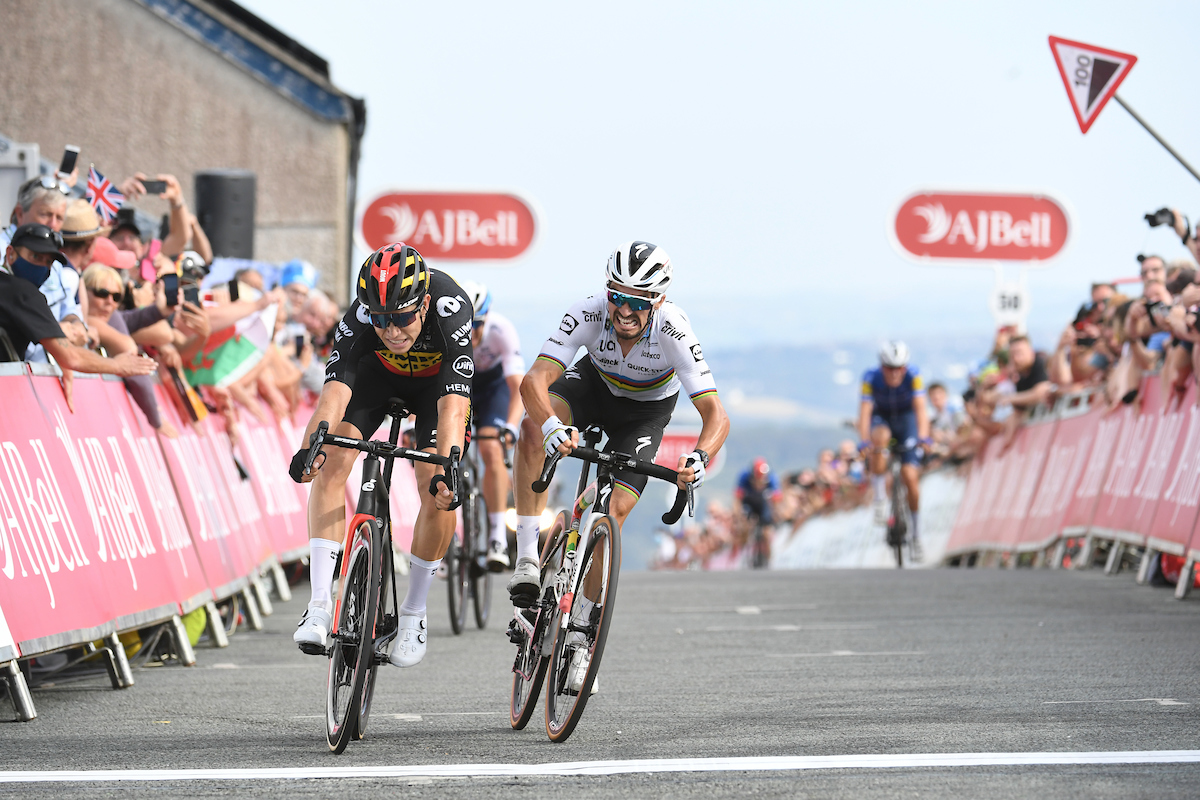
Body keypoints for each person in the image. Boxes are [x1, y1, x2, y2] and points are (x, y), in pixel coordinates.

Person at [509, 240, 729, 692]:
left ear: (659, 301)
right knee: (531, 430)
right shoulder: (588, 312)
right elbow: (534, 380)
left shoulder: (674, 330)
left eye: (638, 301)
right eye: (618, 296)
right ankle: (529, 557)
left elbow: (716, 416)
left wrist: (700, 457)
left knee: (612, 514)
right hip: (593, 386)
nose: (624, 310)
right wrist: (551, 426)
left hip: (645, 413)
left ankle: (583, 635)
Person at [288, 243, 473, 669]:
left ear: (423, 304)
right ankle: (319, 605)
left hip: (434, 392)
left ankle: (413, 615)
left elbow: (452, 407)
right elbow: (334, 395)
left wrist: (449, 465)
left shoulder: (450, 307)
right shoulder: (358, 316)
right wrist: (307, 447)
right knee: (330, 461)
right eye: (381, 319)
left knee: (437, 483)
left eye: (403, 318)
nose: (391, 331)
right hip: (377, 380)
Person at [0, 224, 156, 400]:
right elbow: (71, 357)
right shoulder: (25, 293)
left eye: (48, 261)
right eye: (35, 256)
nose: (42, 266)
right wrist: (116, 365)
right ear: (10, 253)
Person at [457, 280, 526, 570]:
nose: (470, 333)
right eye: (464, 326)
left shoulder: (501, 331)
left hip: (494, 386)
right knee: (448, 446)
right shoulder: (445, 330)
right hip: (461, 382)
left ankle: (497, 536)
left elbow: (518, 389)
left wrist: (510, 427)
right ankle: (451, 538)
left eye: (476, 326)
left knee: (490, 448)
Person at [858, 340, 930, 560]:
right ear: (882, 366)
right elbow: (865, 412)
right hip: (883, 418)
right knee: (879, 439)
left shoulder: (914, 376)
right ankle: (880, 499)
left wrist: (924, 437)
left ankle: (917, 536)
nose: (895, 374)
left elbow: (920, 410)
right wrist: (863, 441)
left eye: (900, 368)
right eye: (890, 368)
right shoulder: (870, 377)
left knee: (910, 476)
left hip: (906, 420)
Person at [735, 457, 779, 533]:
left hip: (763, 502)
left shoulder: (772, 479)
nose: (760, 483)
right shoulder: (744, 477)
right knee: (745, 517)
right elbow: (737, 498)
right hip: (748, 501)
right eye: (758, 480)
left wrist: (774, 515)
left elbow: (776, 500)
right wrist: (738, 516)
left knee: (767, 521)